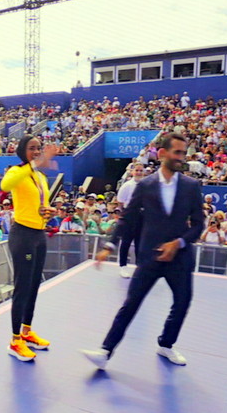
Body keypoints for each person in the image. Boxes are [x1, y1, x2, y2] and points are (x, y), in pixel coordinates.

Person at [83, 132, 204, 369]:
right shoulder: (145, 185)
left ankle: (166, 345)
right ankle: (105, 351)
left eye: (183, 152)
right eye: (177, 152)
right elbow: (127, 220)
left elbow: (199, 224)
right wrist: (109, 245)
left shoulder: (191, 186)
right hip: (150, 257)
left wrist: (178, 243)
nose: (181, 157)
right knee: (131, 303)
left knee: (182, 302)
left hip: (180, 258)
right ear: (162, 154)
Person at [0, 135, 58, 362]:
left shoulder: (40, 177)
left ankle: (26, 332)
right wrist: (34, 163)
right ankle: (15, 341)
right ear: (23, 151)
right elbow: (5, 186)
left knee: (34, 285)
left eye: (39, 148)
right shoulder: (16, 171)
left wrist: (48, 210)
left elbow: (41, 204)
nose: (36, 151)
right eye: (32, 148)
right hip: (22, 235)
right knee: (22, 287)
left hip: (38, 234)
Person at [115, 162, 145, 277]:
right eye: (136, 170)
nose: (138, 172)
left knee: (140, 243)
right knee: (126, 242)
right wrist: (126, 214)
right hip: (130, 215)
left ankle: (139, 267)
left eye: (140, 170)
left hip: (142, 216)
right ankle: (123, 266)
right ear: (132, 172)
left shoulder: (146, 185)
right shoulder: (127, 185)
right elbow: (120, 201)